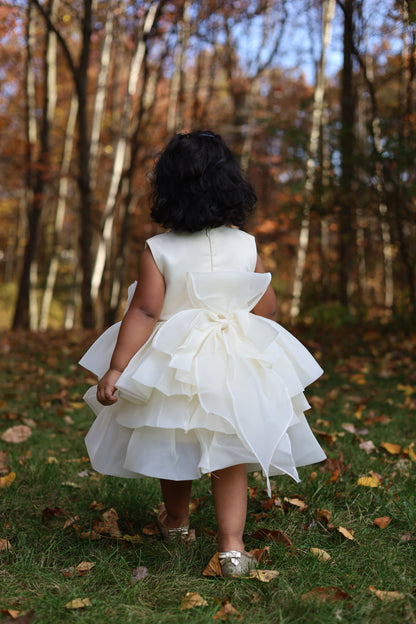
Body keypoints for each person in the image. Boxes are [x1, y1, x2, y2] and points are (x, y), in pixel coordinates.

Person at [79, 130, 326, 577]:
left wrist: (118, 366)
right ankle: (232, 548)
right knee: (229, 455)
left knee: (171, 440)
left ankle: (176, 522)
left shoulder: (160, 249)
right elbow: (264, 307)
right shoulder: (245, 245)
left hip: (172, 363)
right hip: (233, 359)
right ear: (231, 187)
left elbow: (147, 309)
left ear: (168, 190)